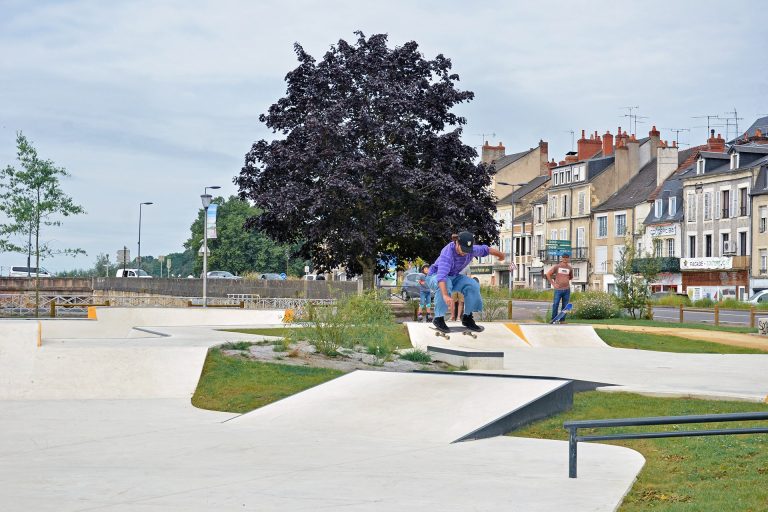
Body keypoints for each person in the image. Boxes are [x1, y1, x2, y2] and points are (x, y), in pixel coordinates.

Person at [427, 231, 505, 333]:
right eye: (462, 250)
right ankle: (439, 318)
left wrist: (500, 255)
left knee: (472, 284)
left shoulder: (472, 249)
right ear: (457, 243)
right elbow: (441, 277)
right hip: (435, 276)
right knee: (447, 283)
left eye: (467, 251)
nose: (464, 253)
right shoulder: (447, 253)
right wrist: (445, 295)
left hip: (454, 277)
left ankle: (467, 317)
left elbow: (486, 249)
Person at [546, 252, 573, 321]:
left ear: (568, 258)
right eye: (564, 257)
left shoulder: (570, 268)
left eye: (566, 257)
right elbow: (548, 274)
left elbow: (570, 277)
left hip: (567, 290)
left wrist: (565, 280)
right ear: (561, 258)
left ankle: (562, 320)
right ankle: (553, 319)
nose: (565, 259)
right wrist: (553, 283)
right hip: (558, 289)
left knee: (565, 306)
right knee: (555, 304)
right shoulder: (557, 267)